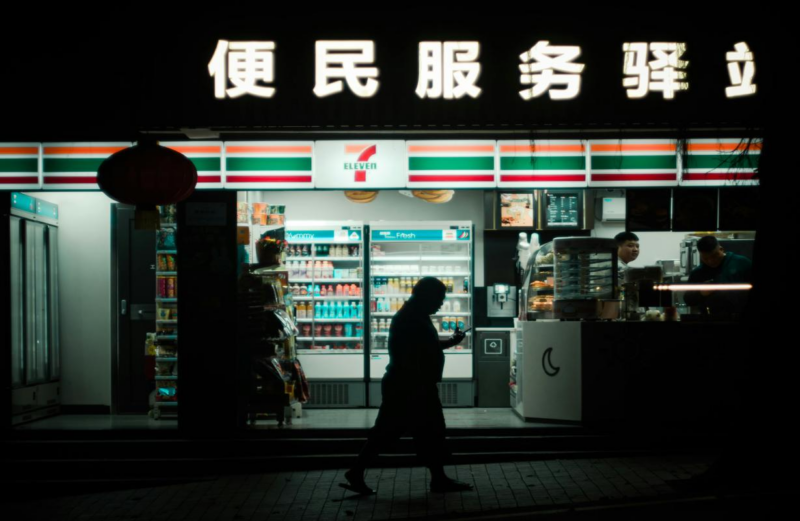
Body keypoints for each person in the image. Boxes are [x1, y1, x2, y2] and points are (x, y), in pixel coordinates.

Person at [341, 277, 473, 495]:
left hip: (408, 385)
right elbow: (412, 355)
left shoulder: (414, 314)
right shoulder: (411, 318)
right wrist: (421, 386)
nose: (440, 304)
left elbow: (426, 346)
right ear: (426, 296)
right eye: (439, 299)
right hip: (411, 387)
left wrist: (451, 341)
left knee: (409, 432)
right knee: (423, 432)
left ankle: (358, 472)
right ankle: (436, 479)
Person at [683, 235, 752, 315]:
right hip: (711, 319)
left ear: (721, 249)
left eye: (714, 256)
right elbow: (688, 300)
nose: (711, 261)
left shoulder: (742, 263)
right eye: (705, 258)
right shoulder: (697, 273)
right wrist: (701, 292)